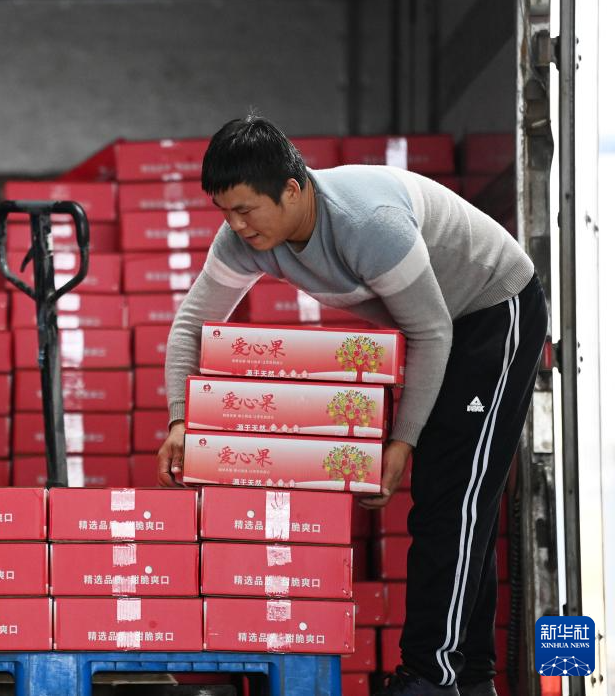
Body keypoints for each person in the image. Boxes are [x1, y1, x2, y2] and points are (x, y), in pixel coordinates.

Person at [157, 115, 546, 696]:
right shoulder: (245, 239)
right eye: (225, 212)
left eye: (245, 210)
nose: (235, 225)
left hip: (492, 308)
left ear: (293, 189)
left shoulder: (367, 224)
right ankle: (469, 679)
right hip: (438, 325)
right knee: (457, 501)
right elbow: (193, 322)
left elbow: (432, 332)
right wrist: (180, 419)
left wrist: (400, 444)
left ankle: (431, 677)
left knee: (452, 498)